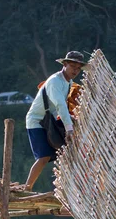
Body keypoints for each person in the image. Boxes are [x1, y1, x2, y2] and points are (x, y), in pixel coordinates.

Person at [23, 51, 88, 191]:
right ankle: (27, 188)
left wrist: (71, 119)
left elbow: (58, 108)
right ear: (64, 64)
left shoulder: (68, 82)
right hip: (37, 121)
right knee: (43, 156)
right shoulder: (55, 81)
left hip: (50, 120)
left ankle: (67, 190)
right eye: (72, 66)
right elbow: (60, 105)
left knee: (62, 153)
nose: (75, 71)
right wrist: (69, 128)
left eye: (78, 68)